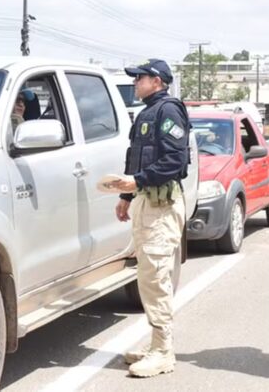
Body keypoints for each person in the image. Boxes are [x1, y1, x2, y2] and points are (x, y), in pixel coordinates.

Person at [113, 59, 190, 378]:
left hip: (161, 204)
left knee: (156, 276)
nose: (135, 82)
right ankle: (157, 342)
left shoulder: (169, 110)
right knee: (147, 276)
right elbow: (137, 157)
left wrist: (139, 182)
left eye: (140, 78)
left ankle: (163, 351)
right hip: (147, 201)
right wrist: (127, 195)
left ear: (157, 81)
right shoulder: (148, 111)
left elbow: (175, 160)